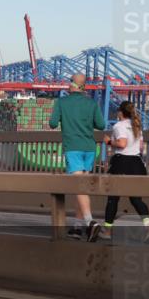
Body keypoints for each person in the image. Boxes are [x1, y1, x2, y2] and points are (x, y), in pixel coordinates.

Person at [48, 73, 105, 241]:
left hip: (73, 147)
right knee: (82, 189)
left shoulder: (62, 102)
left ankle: (90, 222)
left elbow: (52, 123)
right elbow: (101, 125)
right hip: (89, 148)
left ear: (72, 85)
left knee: (80, 188)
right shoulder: (92, 103)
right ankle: (77, 228)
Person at [97, 101, 149, 243]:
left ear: (121, 112)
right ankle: (148, 225)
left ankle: (108, 230)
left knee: (113, 199)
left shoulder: (119, 126)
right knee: (136, 199)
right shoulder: (137, 126)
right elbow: (140, 147)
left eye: (118, 111)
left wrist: (109, 142)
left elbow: (122, 144)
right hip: (136, 164)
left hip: (122, 163)